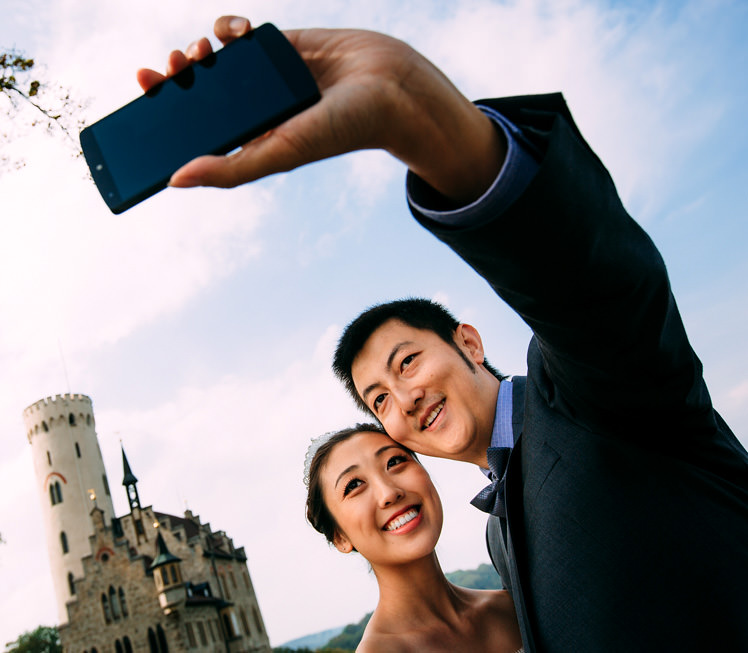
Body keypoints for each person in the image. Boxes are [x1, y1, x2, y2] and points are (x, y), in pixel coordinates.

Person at [138, 16, 748, 652]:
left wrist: (413, 107)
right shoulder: (498, 534)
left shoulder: (586, 390)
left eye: (406, 364)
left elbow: (596, 286)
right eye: (377, 400)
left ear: (471, 344)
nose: (401, 402)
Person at [304, 423, 523, 653]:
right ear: (340, 538)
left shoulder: (514, 607)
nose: (389, 492)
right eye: (355, 485)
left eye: (394, 462)